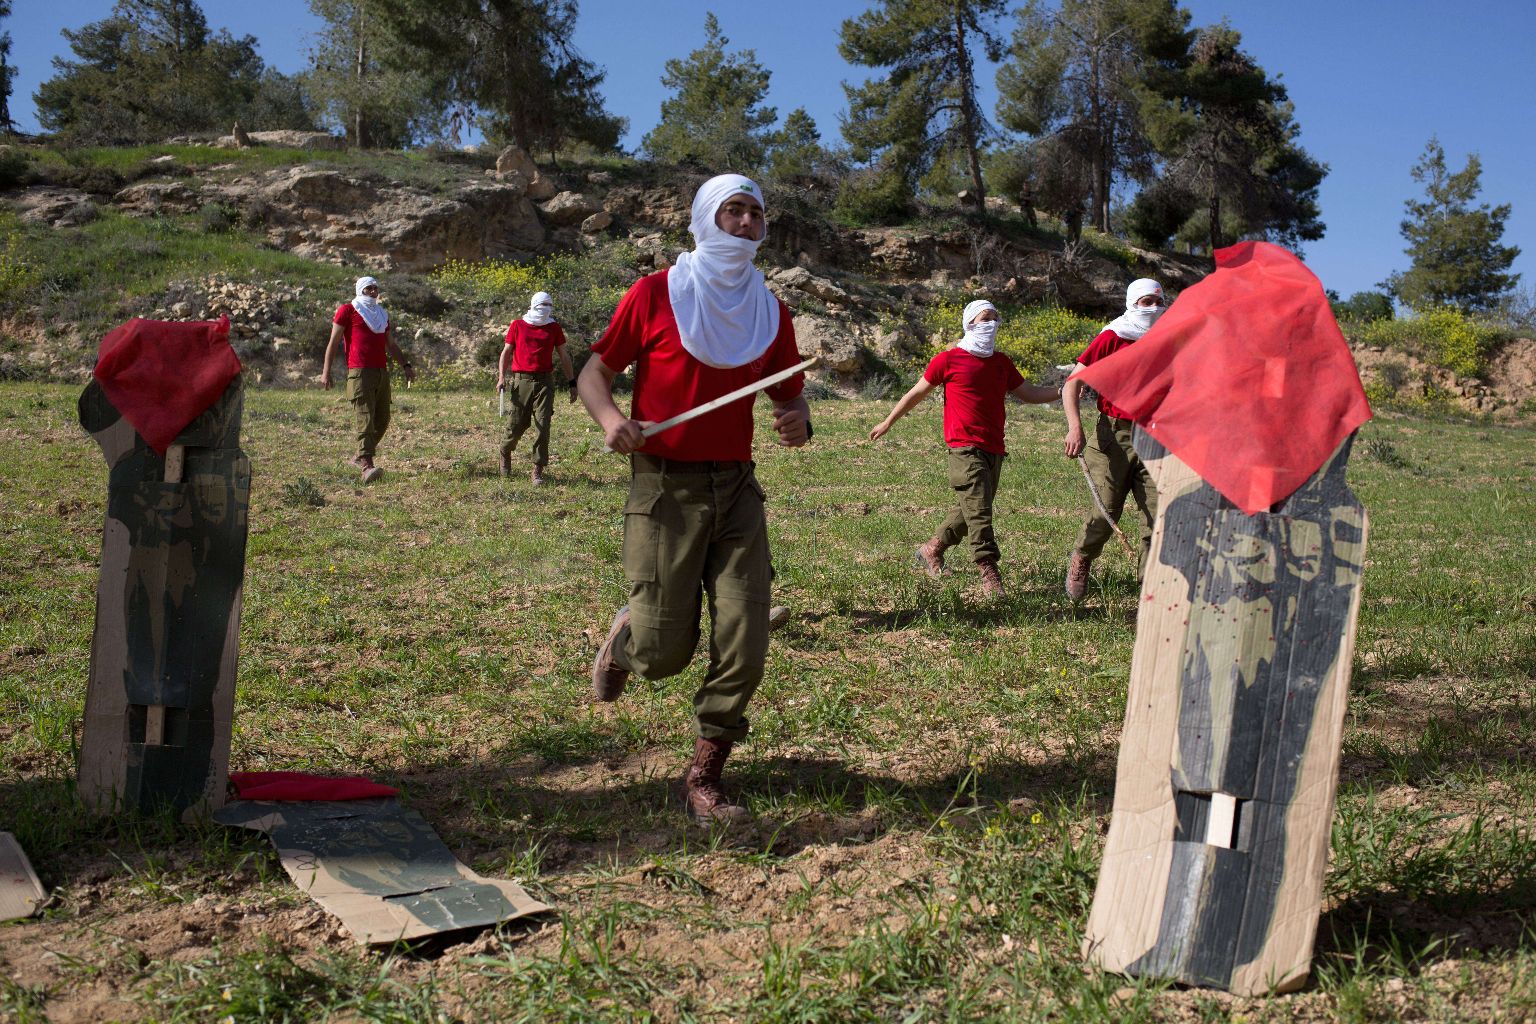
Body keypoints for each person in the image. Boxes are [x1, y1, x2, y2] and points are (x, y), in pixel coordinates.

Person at [578, 173, 811, 826]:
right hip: (664, 487)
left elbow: (789, 391)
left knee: (745, 638)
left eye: (756, 214)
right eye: (732, 211)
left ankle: (706, 772)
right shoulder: (656, 295)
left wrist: (798, 418)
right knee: (663, 655)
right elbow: (594, 371)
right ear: (706, 219)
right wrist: (609, 420)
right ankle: (627, 641)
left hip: (736, 488)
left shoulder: (769, 310)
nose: (745, 223)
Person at [869, 300, 1059, 598]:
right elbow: (916, 393)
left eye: (996, 318)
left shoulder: (1001, 362)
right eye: (986, 318)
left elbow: (1030, 393)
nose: (992, 324)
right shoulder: (948, 360)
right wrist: (888, 421)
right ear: (970, 323)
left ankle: (932, 549)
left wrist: (1064, 390)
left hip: (995, 448)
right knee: (980, 512)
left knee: (971, 507)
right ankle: (989, 571)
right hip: (964, 448)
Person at [1061, 278, 1166, 599]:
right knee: (1107, 509)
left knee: (1157, 515)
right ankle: (1082, 557)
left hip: (1157, 435)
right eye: (1146, 302)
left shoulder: (1169, 338)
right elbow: (1072, 384)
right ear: (1132, 303)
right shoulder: (1113, 336)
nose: (1153, 308)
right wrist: (1075, 427)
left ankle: (1149, 589)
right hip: (1114, 435)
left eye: (1158, 302)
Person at [321, 276, 415, 481]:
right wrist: (326, 371)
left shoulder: (381, 315)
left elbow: (391, 344)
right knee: (365, 418)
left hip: (381, 372)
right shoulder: (348, 310)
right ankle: (366, 466)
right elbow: (333, 342)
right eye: (368, 288)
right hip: (359, 372)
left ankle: (359, 456)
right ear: (360, 290)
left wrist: (405, 365)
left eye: (375, 288)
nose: (373, 292)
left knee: (382, 418)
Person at [498, 291, 576, 484]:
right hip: (521, 381)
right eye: (542, 305)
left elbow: (564, 355)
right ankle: (505, 451)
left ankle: (537, 470)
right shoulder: (517, 325)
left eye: (549, 305)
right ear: (533, 305)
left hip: (545, 382)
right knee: (516, 425)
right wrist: (501, 377)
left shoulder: (553, 327)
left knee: (543, 426)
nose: (545, 309)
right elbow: (506, 352)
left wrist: (572, 381)